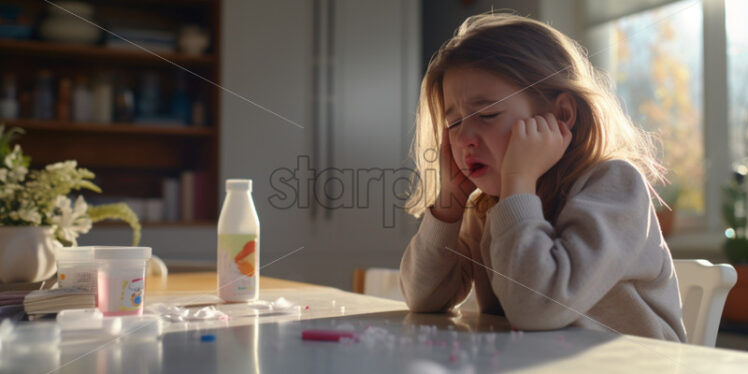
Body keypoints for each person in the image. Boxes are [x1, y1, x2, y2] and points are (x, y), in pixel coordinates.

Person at [399, 12, 687, 342]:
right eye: (453, 124)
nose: (465, 139)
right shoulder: (490, 208)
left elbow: (535, 308)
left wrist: (519, 180)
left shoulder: (615, 186)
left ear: (560, 115)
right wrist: (449, 201)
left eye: (488, 114)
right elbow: (424, 298)